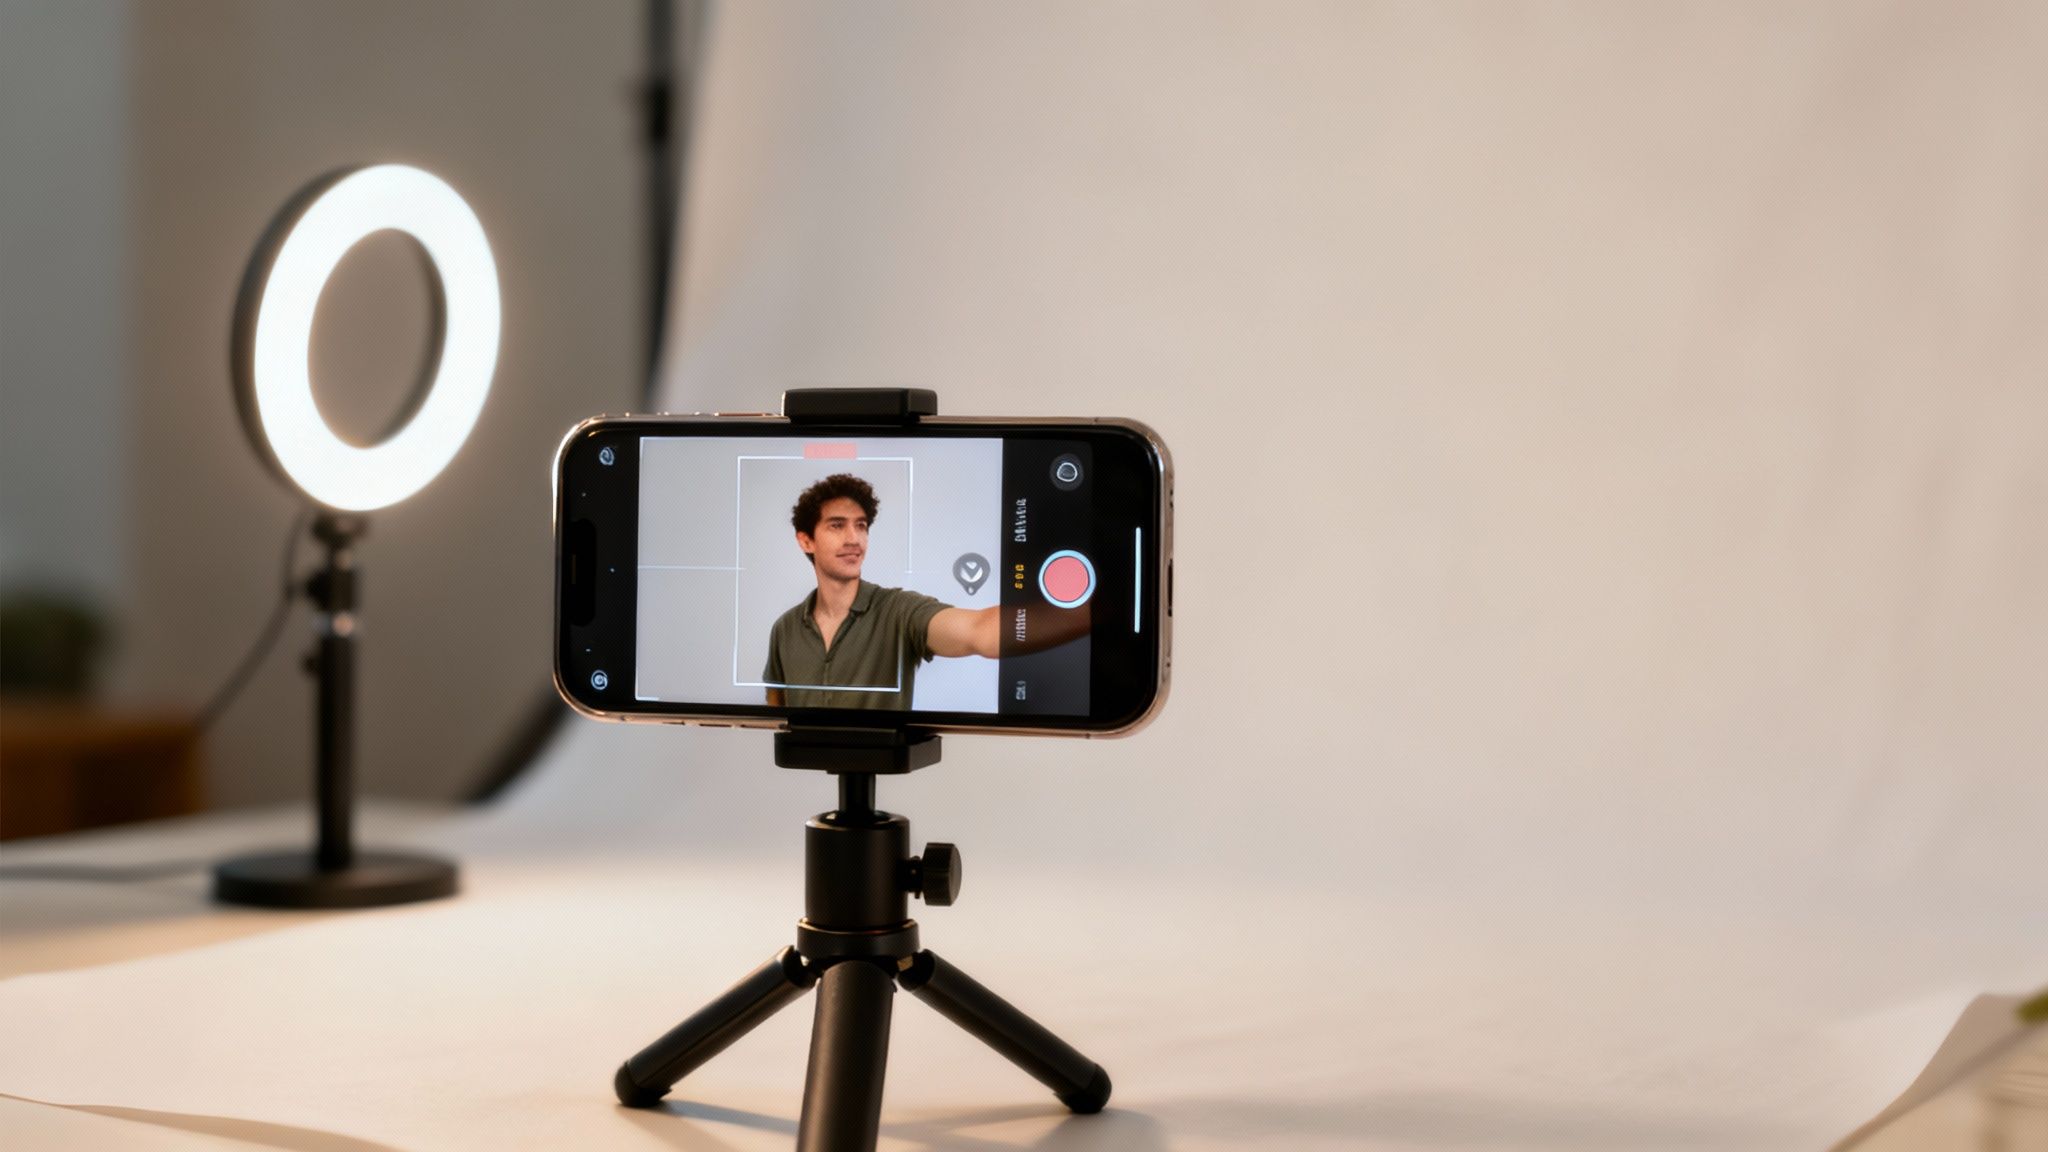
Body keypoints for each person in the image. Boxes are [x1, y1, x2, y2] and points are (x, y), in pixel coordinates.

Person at [764, 474, 998, 709]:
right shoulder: (785, 628)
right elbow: (776, 701)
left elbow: (979, 630)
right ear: (806, 541)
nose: (854, 539)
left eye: (861, 526)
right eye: (837, 525)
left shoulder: (899, 611)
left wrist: (1032, 617)